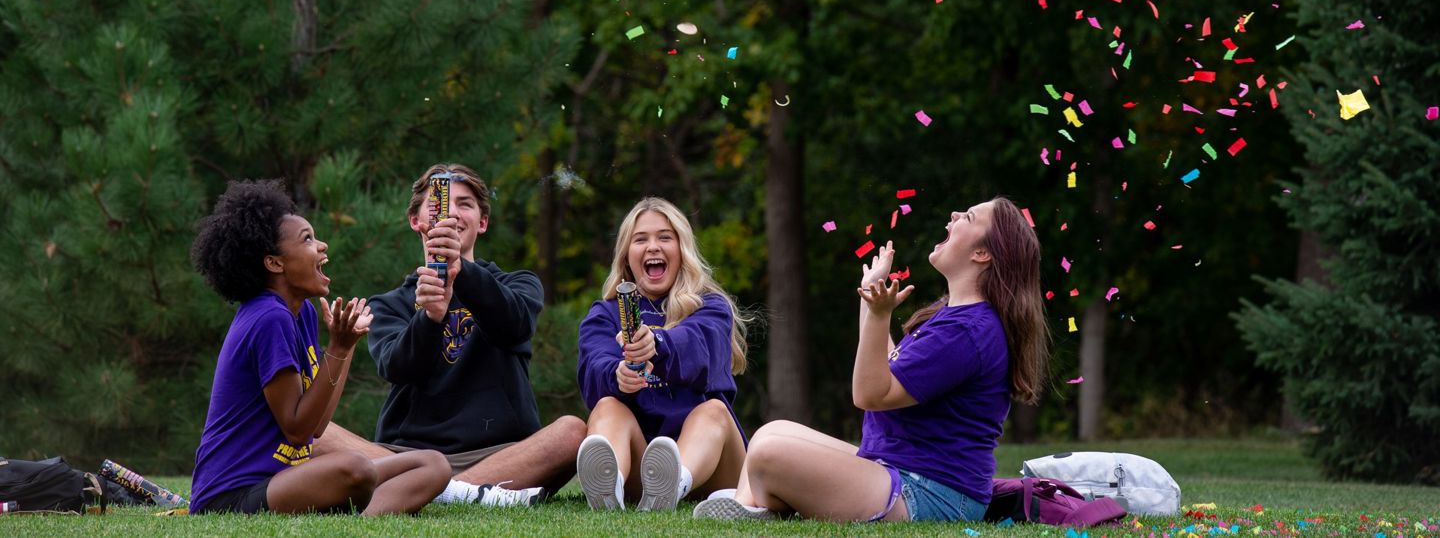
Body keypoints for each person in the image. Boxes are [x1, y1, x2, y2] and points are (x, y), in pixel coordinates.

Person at [694, 197, 1051, 523]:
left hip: (930, 493)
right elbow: (891, 369)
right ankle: (753, 508)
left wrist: (880, 317)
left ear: (982, 254)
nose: (954, 216)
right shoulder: (956, 318)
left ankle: (752, 506)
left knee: (769, 453)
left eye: (969, 217)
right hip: (901, 471)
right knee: (772, 432)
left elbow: (871, 395)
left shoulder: (969, 331)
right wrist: (870, 303)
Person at [312, 163, 585, 507]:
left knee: (573, 431)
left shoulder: (518, 284)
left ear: (482, 222)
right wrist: (429, 319)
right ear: (416, 221)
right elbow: (397, 368)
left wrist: (462, 273)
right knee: (311, 436)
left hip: (500, 454)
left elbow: (515, 325)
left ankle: (439, 491)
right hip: (407, 456)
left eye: (465, 204)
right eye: (439, 203)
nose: (452, 213)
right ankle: (464, 493)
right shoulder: (390, 304)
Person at [189, 180, 449, 516]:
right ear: (274, 263)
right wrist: (337, 350)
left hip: (286, 478)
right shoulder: (269, 317)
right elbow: (296, 431)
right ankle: (355, 512)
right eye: (308, 239)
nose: (322, 246)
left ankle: (362, 522)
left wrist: (347, 346)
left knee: (432, 465)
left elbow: (316, 428)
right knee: (356, 469)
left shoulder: (301, 314)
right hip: (232, 497)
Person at [575, 197, 751, 511]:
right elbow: (593, 363)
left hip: (712, 466)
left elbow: (699, 345)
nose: (653, 246)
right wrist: (616, 375)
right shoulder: (605, 314)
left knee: (714, 412)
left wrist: (658, 343)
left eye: (665, 237)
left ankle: (674, 482)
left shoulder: (710, 306)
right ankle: (607, 484)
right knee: (606, 406)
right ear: (627, 257)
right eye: (640, 239)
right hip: (643, 468)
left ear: (682, 251)